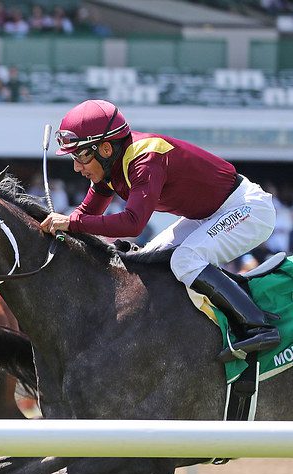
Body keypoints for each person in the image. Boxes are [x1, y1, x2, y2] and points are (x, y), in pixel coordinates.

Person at [39, 99, 280, 361]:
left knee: (185, 259)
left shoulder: (145, 159)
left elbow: (132, 223)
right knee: (146, 261)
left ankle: (257, 325)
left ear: (106, 148)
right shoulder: (110, 167)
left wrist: (70, 223)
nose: (76, 166)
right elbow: (85, 216)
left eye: (81, 155)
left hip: (248, 209)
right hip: (209, 214)